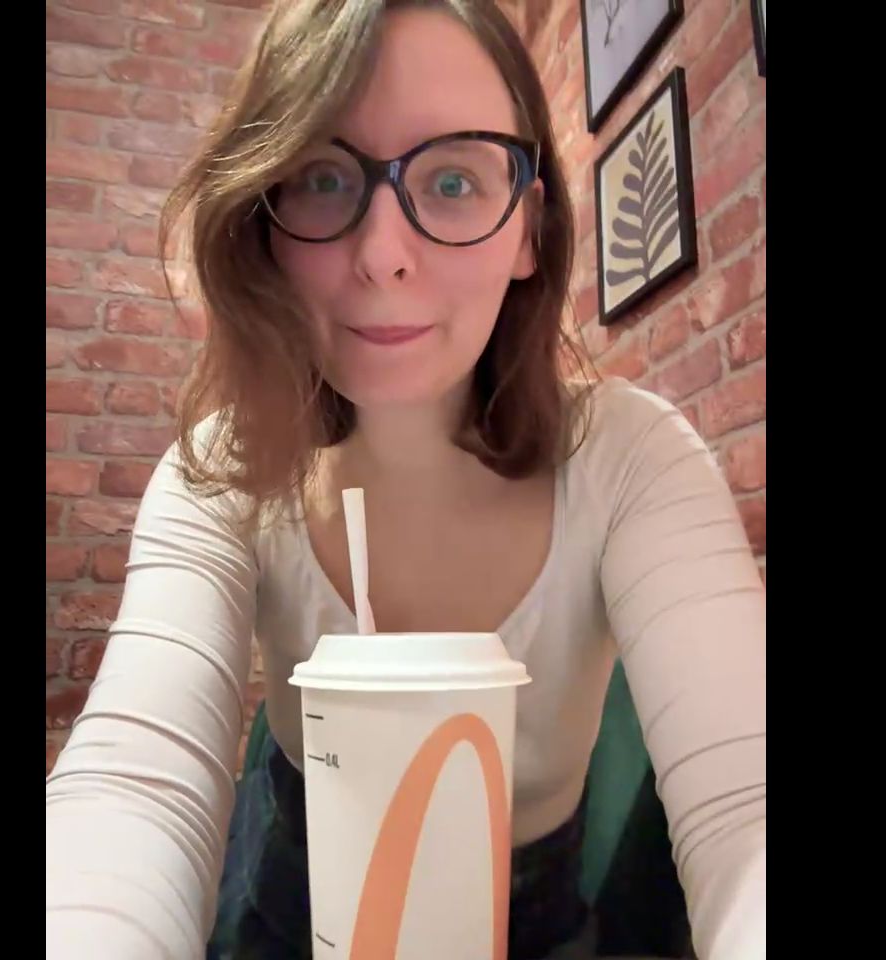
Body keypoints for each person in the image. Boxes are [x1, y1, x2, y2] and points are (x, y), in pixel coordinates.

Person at [44, 1, 766, 958]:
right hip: (289, 896)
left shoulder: (632, 458)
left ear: (528, 229)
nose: (383, 255)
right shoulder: (222, 470)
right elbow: (134, 782)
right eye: (323, 179)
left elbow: (749, 804)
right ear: (263, 221)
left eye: (454, 180)